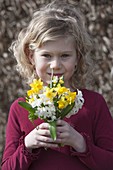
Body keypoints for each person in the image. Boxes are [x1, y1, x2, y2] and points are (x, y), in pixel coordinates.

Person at [1, 0, 113, 170]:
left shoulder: (93, 104)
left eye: (65, 55)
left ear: (78, 58)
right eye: (46, 55)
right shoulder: (20, 109)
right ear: (32, 57)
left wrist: (80, 143)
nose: (55, 65)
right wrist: (27, 145)